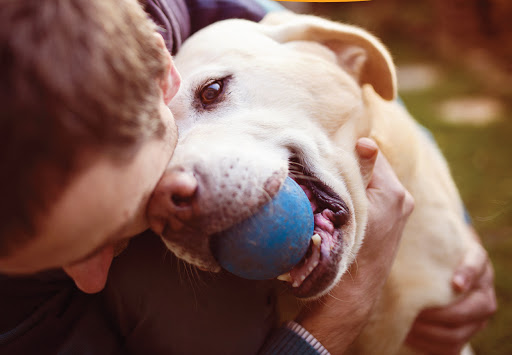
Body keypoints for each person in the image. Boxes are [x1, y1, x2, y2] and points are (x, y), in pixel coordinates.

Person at [0, 0, 495, 354]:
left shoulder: (218, 21)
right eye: (151, 217)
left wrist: (457, 230)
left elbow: (336, 72)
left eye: (212, 93)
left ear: (159, 71)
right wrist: (332, 323)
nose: (92, 280)